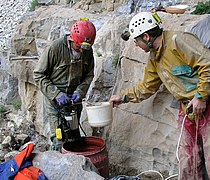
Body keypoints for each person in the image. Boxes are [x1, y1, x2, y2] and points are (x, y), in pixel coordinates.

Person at [109, 12, 210, 180]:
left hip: (206, 104)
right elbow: (147, 86)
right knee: (187, 159)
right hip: (187, 110)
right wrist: (123, 97)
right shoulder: (154, 58)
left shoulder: (178, 41)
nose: (136, 45)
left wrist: (200, 97)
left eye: (137, 41)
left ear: (146, 36)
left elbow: (207, 64)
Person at [33, 18, 96, 151]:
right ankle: (56, 164)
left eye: (85, 48)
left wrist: (80, 91)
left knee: (74, 135)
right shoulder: (54, 49)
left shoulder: (87, 50)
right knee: (59, 138)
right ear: (73, 40)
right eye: (79, 47)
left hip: (74, 100)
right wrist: (56, 93)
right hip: (55, 100)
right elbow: (38, 75)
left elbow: (89, 74)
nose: (82, 51)